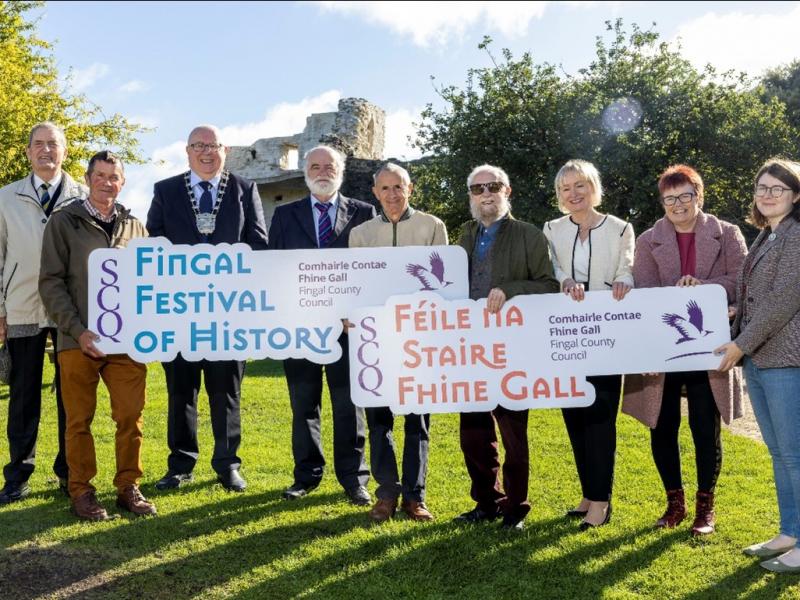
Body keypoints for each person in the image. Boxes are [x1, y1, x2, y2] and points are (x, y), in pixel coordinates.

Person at [622, 164, 746, 536]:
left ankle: (705, 507)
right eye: (669, 198)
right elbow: (643, 292)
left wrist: (704, 286)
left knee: (704, 427)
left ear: (699, 196)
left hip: (709, 348)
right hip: (664, 348)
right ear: (663, 202)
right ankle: (674, 503)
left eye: (685, 196)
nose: (677, 205)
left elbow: (740, 281)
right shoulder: (648, 240)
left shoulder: (727, 233)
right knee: (662, 427)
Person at [147, 125, 268, 493]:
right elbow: (153, 245)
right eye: (198, 145)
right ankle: (181, 464)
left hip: (229, 313)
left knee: (225, 391)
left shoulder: (244, 189)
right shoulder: (166, 190)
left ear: (224, 150)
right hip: (180, 312)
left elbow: (258, 246)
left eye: (212, 146)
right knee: (181, 390)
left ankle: (228, 464)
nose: (206, 152)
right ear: (187, 150)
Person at [39, 150, 155, 521]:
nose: (107, 182)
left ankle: (127, 487)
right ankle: (82, 491)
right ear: (88, 179)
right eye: (100, 175)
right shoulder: (64, 221)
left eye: (114, 177)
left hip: (125, 344)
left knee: (130, 416)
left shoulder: (135, 226)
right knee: (78, 420)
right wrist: (77, 329)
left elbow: (149, 283)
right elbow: (51, 282)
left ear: (122, 182)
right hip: (79, 341)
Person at [268, 145, 374, 505]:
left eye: (329, 165)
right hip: (301, 329)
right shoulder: (284, 216)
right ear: (304, 171)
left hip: (349, 329)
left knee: (349, 404)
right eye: (315, 165)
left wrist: (357, 312)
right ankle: (307, 475)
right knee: (304, 404)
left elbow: (373, 270)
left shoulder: (363, 213)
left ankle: (354, 477)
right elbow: (274, 271)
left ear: (340, 170)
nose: (322, 170)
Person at [454, 164, 559, 531]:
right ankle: (487, 501)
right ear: (471, 196)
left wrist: (511, 290)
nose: (486, 194)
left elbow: (548, 286)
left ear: (507, 191)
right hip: (468, 349)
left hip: (513, 348)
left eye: (493, 186)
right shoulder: (464, 237)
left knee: (513, 430)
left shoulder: (528, 235)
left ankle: (516, 507)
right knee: (473, 433)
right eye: (478, 188)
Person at [349, 162, 447, 522]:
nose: (392, 195)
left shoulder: (432, 227)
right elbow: (354, 287)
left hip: (418, 339)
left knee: (417, 421)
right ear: (375, 193)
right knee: (379, 421)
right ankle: (386, 494)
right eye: (385, 188)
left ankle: (415, 497)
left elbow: (444, 284)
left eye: (399, 187)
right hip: (375, 341)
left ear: (410, 189)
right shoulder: (360, 234)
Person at [717, 158, 800, 572]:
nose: (767, 195)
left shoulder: (797, 236)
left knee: (794, 453)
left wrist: (738, 345)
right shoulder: (767, 234)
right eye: (761, 188)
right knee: (781, 453)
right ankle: (790, 532)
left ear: (795, 196)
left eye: (777, 189)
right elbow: (751, 297)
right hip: (760, 358)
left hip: (786, 358)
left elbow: (784, 300)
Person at [543, 159, 634, 530]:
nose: (573, 194)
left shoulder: (620, 228)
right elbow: (549, 267)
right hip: (565, 336)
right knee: (574, 417)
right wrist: (564, 280)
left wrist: (623, 279)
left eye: (580, 185)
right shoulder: (550, 229)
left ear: (594, 187)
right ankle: (587, 493)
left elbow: (627, 266)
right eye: (565, 188)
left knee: (599, 418)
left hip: (605, 336)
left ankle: (601, 502)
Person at [0, 122, 88, 504]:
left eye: (54, 144)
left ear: (65, 151)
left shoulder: (83, 197)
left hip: (70, 312)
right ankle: (18, 473)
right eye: (39, 144)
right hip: (21, 307)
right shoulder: (5, 198)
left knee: (72, 394)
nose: (46, 151)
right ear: (28, 152)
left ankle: (69, 471)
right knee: (22, 395)